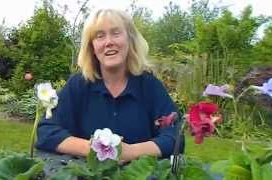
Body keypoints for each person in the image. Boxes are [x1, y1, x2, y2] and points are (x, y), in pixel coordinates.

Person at [36, 8, 184, 162]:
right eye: (100, 36)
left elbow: (174, 137)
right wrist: (98, 149)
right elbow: (47, 131)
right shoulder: (78, 85)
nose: (109, 42)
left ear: (129, 39)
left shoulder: (149, 86)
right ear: (92, 47)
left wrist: (131, 151)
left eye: (116, 33)